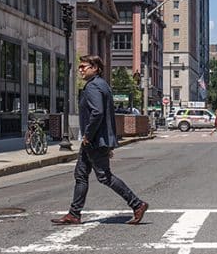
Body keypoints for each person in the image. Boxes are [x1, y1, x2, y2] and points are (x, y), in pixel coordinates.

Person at [52, 55, 149, 226]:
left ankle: (137, 204)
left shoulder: (93, 87)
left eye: (84, 66)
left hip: (93, 140)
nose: (81, 69)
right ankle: (74, 214)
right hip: (96, 140)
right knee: (81, 175)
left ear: (95, 68)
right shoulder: (102, 85)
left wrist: (88, 135)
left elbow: (97, 112)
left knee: (104, 177)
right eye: (80, 67)